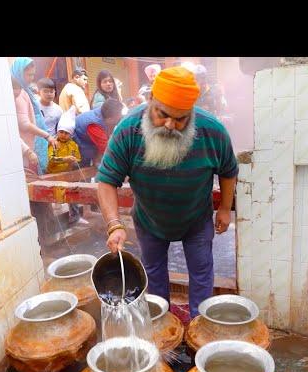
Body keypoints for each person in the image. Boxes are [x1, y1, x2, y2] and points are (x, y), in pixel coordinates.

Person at [96, 66, 238, 318]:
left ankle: (199, 328)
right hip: (149, 220)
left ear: (192, 112)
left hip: (196, 219)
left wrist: (225, 208)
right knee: (154, 276)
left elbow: (228, 170)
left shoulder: (212, 130)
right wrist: (114, 224)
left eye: (181, 118)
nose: (171, 125)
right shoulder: (128, 130)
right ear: (150, 100)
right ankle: (161, 328)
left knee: (202, 273)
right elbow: (106, 180)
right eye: (162, 114)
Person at [11, 57, 57, 175]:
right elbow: (24, 124)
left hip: (31, 141)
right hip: (25, 145)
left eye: (33, 75)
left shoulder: (25, 90)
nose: (31, 78)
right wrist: (47, 136)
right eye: (28, 75)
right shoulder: (17, 93)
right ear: (19, 73)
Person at [74, 98, 124, 168]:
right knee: (82, 171)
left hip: (88, 142)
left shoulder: (105, 113)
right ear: (110, 119)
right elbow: (106, 149)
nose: (120, 117)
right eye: (118, 116)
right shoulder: (94, 126)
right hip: (78, 146)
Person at [47, 106, 81, 174]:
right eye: (61, 132)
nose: (63, 135)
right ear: (57, 132)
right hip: (54, 175)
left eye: (66, 133)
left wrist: (74, 161)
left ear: (71, 134)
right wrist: (64, 159)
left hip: (68, 174)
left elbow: (78, 158)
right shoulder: (54, 144)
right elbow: (51, 159)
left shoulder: (73, 145)